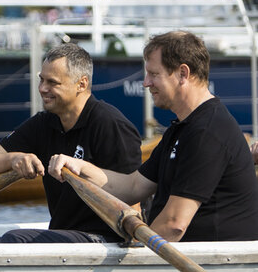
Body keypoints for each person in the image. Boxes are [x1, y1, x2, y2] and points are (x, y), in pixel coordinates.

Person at [49, 31, 258, 242]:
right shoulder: (183, 128)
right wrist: (79, 167)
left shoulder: (208, 131)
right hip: (182, 260)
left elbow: (174, 224)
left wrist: (133, 260)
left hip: (215, 263)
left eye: (154, 74)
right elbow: (133, 186)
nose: (146, 82)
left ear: (183, 74)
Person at [0, 42, 142, 243]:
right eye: (41, 80)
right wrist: (12, 159)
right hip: (66, 236)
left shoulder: (110, 125)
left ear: (81, 84)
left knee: (15, 239)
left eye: (53, 83)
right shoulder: (44, 123)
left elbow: (135, 203)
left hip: (106, 239)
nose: (42, 88)